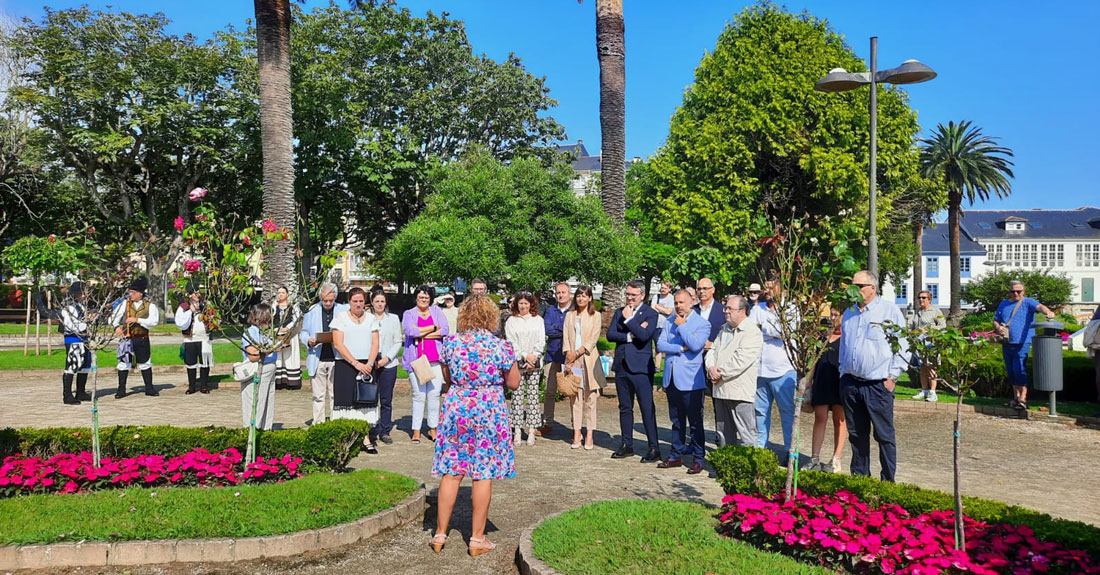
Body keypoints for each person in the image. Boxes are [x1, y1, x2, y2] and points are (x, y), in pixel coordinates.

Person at [430, 294, 521, 557]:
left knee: (452, 471)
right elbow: (513, 383)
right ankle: (477, 539)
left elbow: (448, 378)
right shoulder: (500, 346)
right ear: (491, 317)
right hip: (488, 409)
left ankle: (439, 534)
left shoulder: (451, 344)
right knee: (482, 472)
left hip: (457, 407)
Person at [838, 270, 910, 482]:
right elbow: (845, 345)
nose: (854, 289)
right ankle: (860, 478)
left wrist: (893, 376)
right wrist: (843, 372)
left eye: (858, 285)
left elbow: (904, 345)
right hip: (851, 383)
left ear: (872, 288)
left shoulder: (889, 311)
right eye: (852, 285)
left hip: (878, 385)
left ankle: (888, 481)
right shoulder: (850, 312)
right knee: (857, 435)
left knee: (884, 436)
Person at [655, 289, 711, 474]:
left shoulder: (702, 324)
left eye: (681, 302)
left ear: (691, 302)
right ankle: (675, 455)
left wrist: (682, 326)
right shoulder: (669, 321)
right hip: (671, 379)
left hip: (691, 381)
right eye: (676, 303)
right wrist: (680, 347)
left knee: (695, 422)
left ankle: (698, 458)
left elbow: (696, 346)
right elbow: (660, 345)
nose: (678, 306)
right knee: (676, 420)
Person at [606, 280, 661, 462]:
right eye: (627, 294)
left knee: (647, 408)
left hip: (641, 368)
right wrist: (630, 335)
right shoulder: (619, 312)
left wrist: (629, 320)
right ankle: (626, 443)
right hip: (622, 365)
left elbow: (645, 336)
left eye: (633, 295)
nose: (629, 298)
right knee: (625, 407)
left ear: (642, 296)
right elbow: (611, 334)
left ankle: (654, 447)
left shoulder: (650, 314)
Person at [748, 278, 798, 459]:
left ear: (781, 289)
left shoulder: (791, 309)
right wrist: (768, 331)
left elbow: (785, 332)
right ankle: (760, 448)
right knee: (760, 412)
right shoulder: (756, 309)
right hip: (760, 370)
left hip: (783, 370)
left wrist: (764, 328)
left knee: (787, 412)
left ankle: (790, 452)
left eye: (771, 287)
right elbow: (751, 333)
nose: (766, 291)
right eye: (765, 288)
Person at [705, 295, 763, 448]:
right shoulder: (724, 329)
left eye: (730, 308)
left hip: (740, 391)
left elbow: (741, 360)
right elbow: (712, 350)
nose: (726, 311)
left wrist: (720, 372)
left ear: (742, 311)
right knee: (723, 433)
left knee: (746, 434)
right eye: (726, 308)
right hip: (720, 389)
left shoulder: (752, 332)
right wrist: (711, 368)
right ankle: (727, 467)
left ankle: (749, 469)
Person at [330, 287, 381, 454]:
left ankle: (365, 438)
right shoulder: (341, 318)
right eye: (355, 301)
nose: (358, 304)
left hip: (367, 365)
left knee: (364, 402)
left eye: (361, 301)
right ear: (349, 302)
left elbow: (375, 343)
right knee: (346, 402)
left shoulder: (371, 319)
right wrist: (356, 364)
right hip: (346, 364)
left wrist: (370, 363)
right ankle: (346, 439)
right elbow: (338, 344)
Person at [993, 281, 1055, 410]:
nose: (1015, 293)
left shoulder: (1028, 302)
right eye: (1013, 291)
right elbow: (995, 320)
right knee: (1011, 371)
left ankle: (1023, 399)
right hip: (1007, 342)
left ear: (1023, 292)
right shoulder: (1004, 304)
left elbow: (1040, 307)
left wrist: (1047, 312)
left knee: (1019, 369)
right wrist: (998, 327)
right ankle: (1016, 398)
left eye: (1018, 291)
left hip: (1022, 342)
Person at [402, 285, 449, 443]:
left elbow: (445, 330)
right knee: (419, 395)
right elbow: (410, 332)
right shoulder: (409, 313)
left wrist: (423, 333)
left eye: (426, 297)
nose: (423, 300)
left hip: (435, 360)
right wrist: (433, 328)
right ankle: (416, 430)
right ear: (416, 298)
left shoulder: (437, 311)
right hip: (417, 361)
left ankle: (433, 428)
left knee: (434, 395)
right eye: (421, 297)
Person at [562, 285, 606, 450]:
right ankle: (576, 433)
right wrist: (569, 356)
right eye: (579, 295)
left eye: (584, 296)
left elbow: (593, 339)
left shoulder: (596, 316)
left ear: (589, 298)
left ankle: (589, 434)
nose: (581, 298)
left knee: (590, 398)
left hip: (588, 359)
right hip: (573, 360)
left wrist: (578, 352)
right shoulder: (570, 316)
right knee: (576, 398)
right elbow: (566, 338)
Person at [299, 283, 348, 424]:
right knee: (318, 395)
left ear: (335, 298)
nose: (328, 303)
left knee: (335, 394)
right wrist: (308, 340)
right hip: (317, 357)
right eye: (325, 300)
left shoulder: (343, 310)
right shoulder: (312, 311)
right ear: (320, 298)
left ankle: (334, 421)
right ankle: (318, 422)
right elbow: (303, 332)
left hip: (337, 357)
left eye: (331, 301)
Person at [807, 309, 846, 472]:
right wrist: (809, 381)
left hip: (839, 382)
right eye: (831, 314)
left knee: (840, 420)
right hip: (822, 381)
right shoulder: (822, 339)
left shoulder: (847, 339)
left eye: (835, 315)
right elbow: (815, 361)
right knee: (820, 418)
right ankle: (814, 457)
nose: (832, 318)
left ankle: (836, 458)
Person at [504, 290, 545, 446]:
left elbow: (541, 340)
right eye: (520, 303)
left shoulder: (538, 320)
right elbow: (511, 342)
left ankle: (532, 430)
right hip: (518, 363)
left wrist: (533, 356)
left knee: (533, 397)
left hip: (534, 363)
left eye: (526, 303)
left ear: (531, 304)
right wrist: (524, 355)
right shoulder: (511, 321)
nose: (523, 306)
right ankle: (517, 430)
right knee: (517, 397)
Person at [111, 276, 160, 398]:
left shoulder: (150, 306)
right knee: (123, 363)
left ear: (140, 293)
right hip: (127, 339)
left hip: (142, 338)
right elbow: (112, 317)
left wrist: (138, 320)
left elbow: (153, 321)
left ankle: (149, 387)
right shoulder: (125, 304)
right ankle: (121, 389)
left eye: (133, 292)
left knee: (145, 362)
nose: (130, 295)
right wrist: (116, 327)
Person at [370, 288, 403, 444]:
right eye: (377, 301)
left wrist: (387, 358)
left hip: (389, 364)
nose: (380, 304)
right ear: (372, 303)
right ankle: (371, 429)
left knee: (386, 399)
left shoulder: (394, 319)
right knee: (370, 398)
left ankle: (385, 430)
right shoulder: (367, 319)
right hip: (371, 364)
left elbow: (397, 341)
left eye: (382, 301)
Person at [539, 282, 572, 435]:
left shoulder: (574, 311)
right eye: (558, 292)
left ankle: (575, 426)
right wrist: (563, 329)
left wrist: (558, 329)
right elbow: (547, 330)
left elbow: (571, 332)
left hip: (570, 356)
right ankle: (548, 422)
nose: (560, 295)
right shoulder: (550, 310)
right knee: (549, 391)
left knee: (572, 391)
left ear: (569, 294)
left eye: (563, 292)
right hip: (552, 354)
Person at [241, 303, 278, 430]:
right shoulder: (250, 333)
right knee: (257, 402)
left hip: (270, 370)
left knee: (268, 402)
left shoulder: (265, 333)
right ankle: (254, 430)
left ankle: (266, 428)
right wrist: (269, 350)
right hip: (258, 370)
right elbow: (253, 355)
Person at [175, 283, 213, 395]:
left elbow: (214, 319)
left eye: (197, 292)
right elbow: (180, 324)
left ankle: (204, 386)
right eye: (193, 293)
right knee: (190, 363)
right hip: (190, 339)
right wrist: (190, 311)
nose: (196, 294)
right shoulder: (184, 307)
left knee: (204, 363)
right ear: (189, 295)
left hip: (204, 338)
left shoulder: (206, 305)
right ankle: (191, 386)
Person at [908, 290, 946, 402]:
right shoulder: (917, 311)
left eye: (924, 297)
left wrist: (929, 330)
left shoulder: (935, 311)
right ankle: (924, 390)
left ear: (929, 299)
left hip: (930, 342)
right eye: (919, 297)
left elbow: (943, 326)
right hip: (919, 343)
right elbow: (912, 326)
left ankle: (933, 392)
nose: (921, 300)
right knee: (922, 367)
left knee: (931, 366)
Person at [59, 281, 93, 405]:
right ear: (79, 293)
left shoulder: (81, 306)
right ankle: (67, 395)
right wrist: (87, 322)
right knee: (72, 365)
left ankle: (81, 392)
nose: (87, 294)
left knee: (84, 365)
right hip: (73, 339)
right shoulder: (69, 307)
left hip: (83, 339)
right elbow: (72, 325)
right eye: (85, 291)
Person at [693, 277, 725, 350]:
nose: (701, 291)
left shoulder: (723, 311)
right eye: (699, 289)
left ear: (713, 290)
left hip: (715, 353)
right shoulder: (692, 311)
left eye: (705, 288)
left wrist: (713, 344)